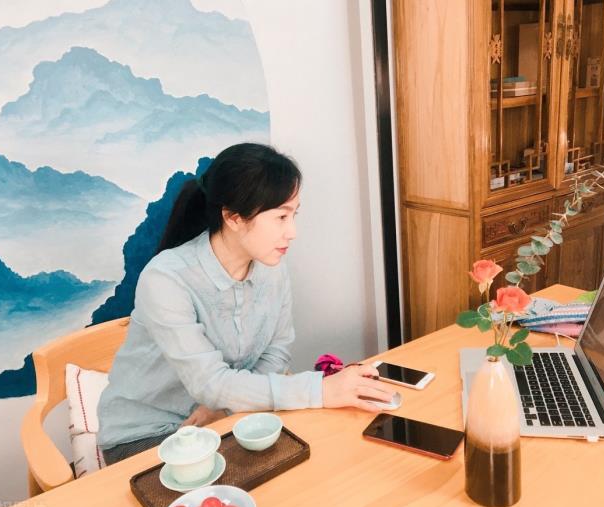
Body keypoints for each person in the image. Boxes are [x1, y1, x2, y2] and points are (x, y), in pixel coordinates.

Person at [97, 143, 394, 465]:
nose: (292, 232)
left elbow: (276, 351)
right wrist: (321, 390)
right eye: (281, 217)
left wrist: (226, 405)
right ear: (234, 218)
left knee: (321, 459)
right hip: (146, 435)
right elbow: (211, 383)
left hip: (224, 418)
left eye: (294, 215)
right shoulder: (166, 279)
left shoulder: (271, 267)